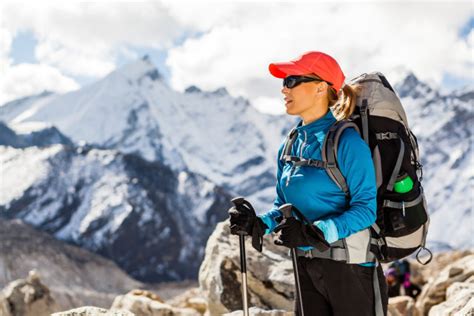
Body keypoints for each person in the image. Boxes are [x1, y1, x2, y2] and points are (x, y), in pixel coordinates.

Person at [229, 51, 388, 315]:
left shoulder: (347, 142)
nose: (283, 89)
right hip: (304, 266)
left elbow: (365, 210)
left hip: (350, 269)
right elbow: (283, 206)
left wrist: (316, 232)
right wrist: (259, 224)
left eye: (292, 80)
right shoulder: (290, 144)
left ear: (320, 87)